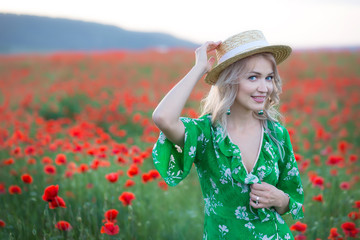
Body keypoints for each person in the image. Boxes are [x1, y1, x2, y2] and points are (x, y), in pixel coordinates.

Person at [152, 30, 304, 240]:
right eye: (253, 77)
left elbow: (292, 198)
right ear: (229, 81)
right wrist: (199, 69)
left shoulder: (275, 133)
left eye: (269, 78)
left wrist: (280, 199)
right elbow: (163, 118)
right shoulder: (206, 134)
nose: (264, 88)